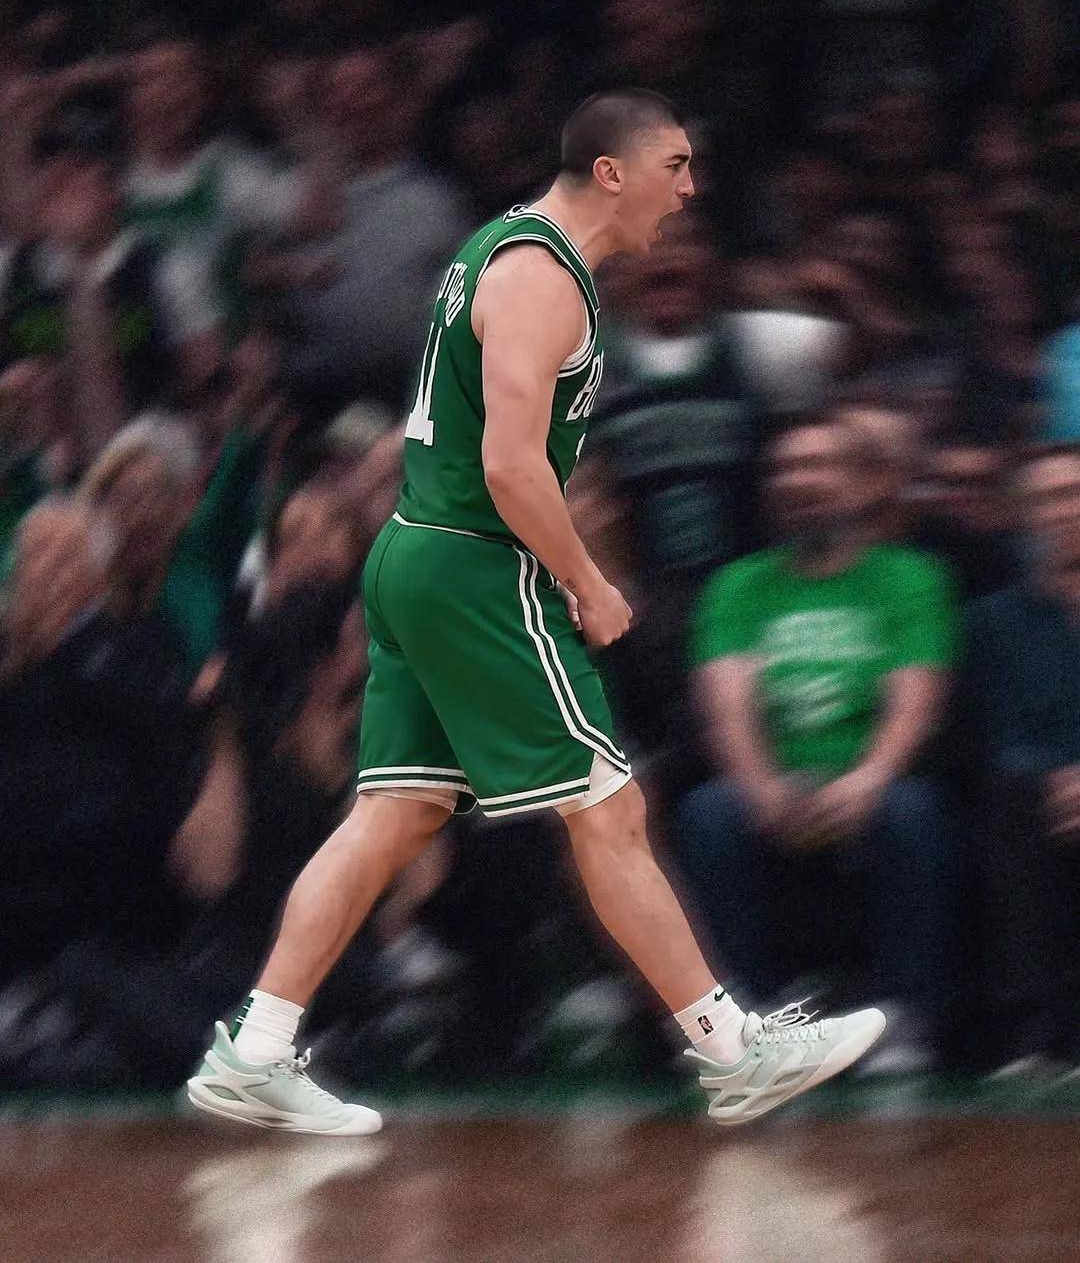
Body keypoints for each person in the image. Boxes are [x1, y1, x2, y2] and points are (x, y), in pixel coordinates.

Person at [187, 89, 885, 1135]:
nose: (688, 196)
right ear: (611, 173)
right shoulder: (540, 275)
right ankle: (730, 1050)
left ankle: (255, 1048)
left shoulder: (512, 259)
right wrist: (586, 578)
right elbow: (512, 463)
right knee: (607, 809)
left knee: (390, 818)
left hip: (425, 561)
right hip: (470, 569)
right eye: (674, 172)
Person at [677, 413, 958, 1072]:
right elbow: (727, 702)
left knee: (912, 812)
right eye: (785, 468)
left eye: (818, 465)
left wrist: (868, 779)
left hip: (871, 776)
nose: (797, 481)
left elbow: (916, 697)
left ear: (863, 484)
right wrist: (760, 787)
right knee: (711, 813)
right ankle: (749, 1018)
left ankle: (900, 1018)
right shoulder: (738, 585)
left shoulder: (911, 577)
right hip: (775, 778)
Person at [965, 444, 1080, 1073]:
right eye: (1045, 500)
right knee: (1010, 796)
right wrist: (1056, 780)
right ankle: (1036, 1035)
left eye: (1072, 495)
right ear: (1023, 518)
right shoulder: (993, 621)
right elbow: (992, 735)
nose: (1062, 511)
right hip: (1038, 799)